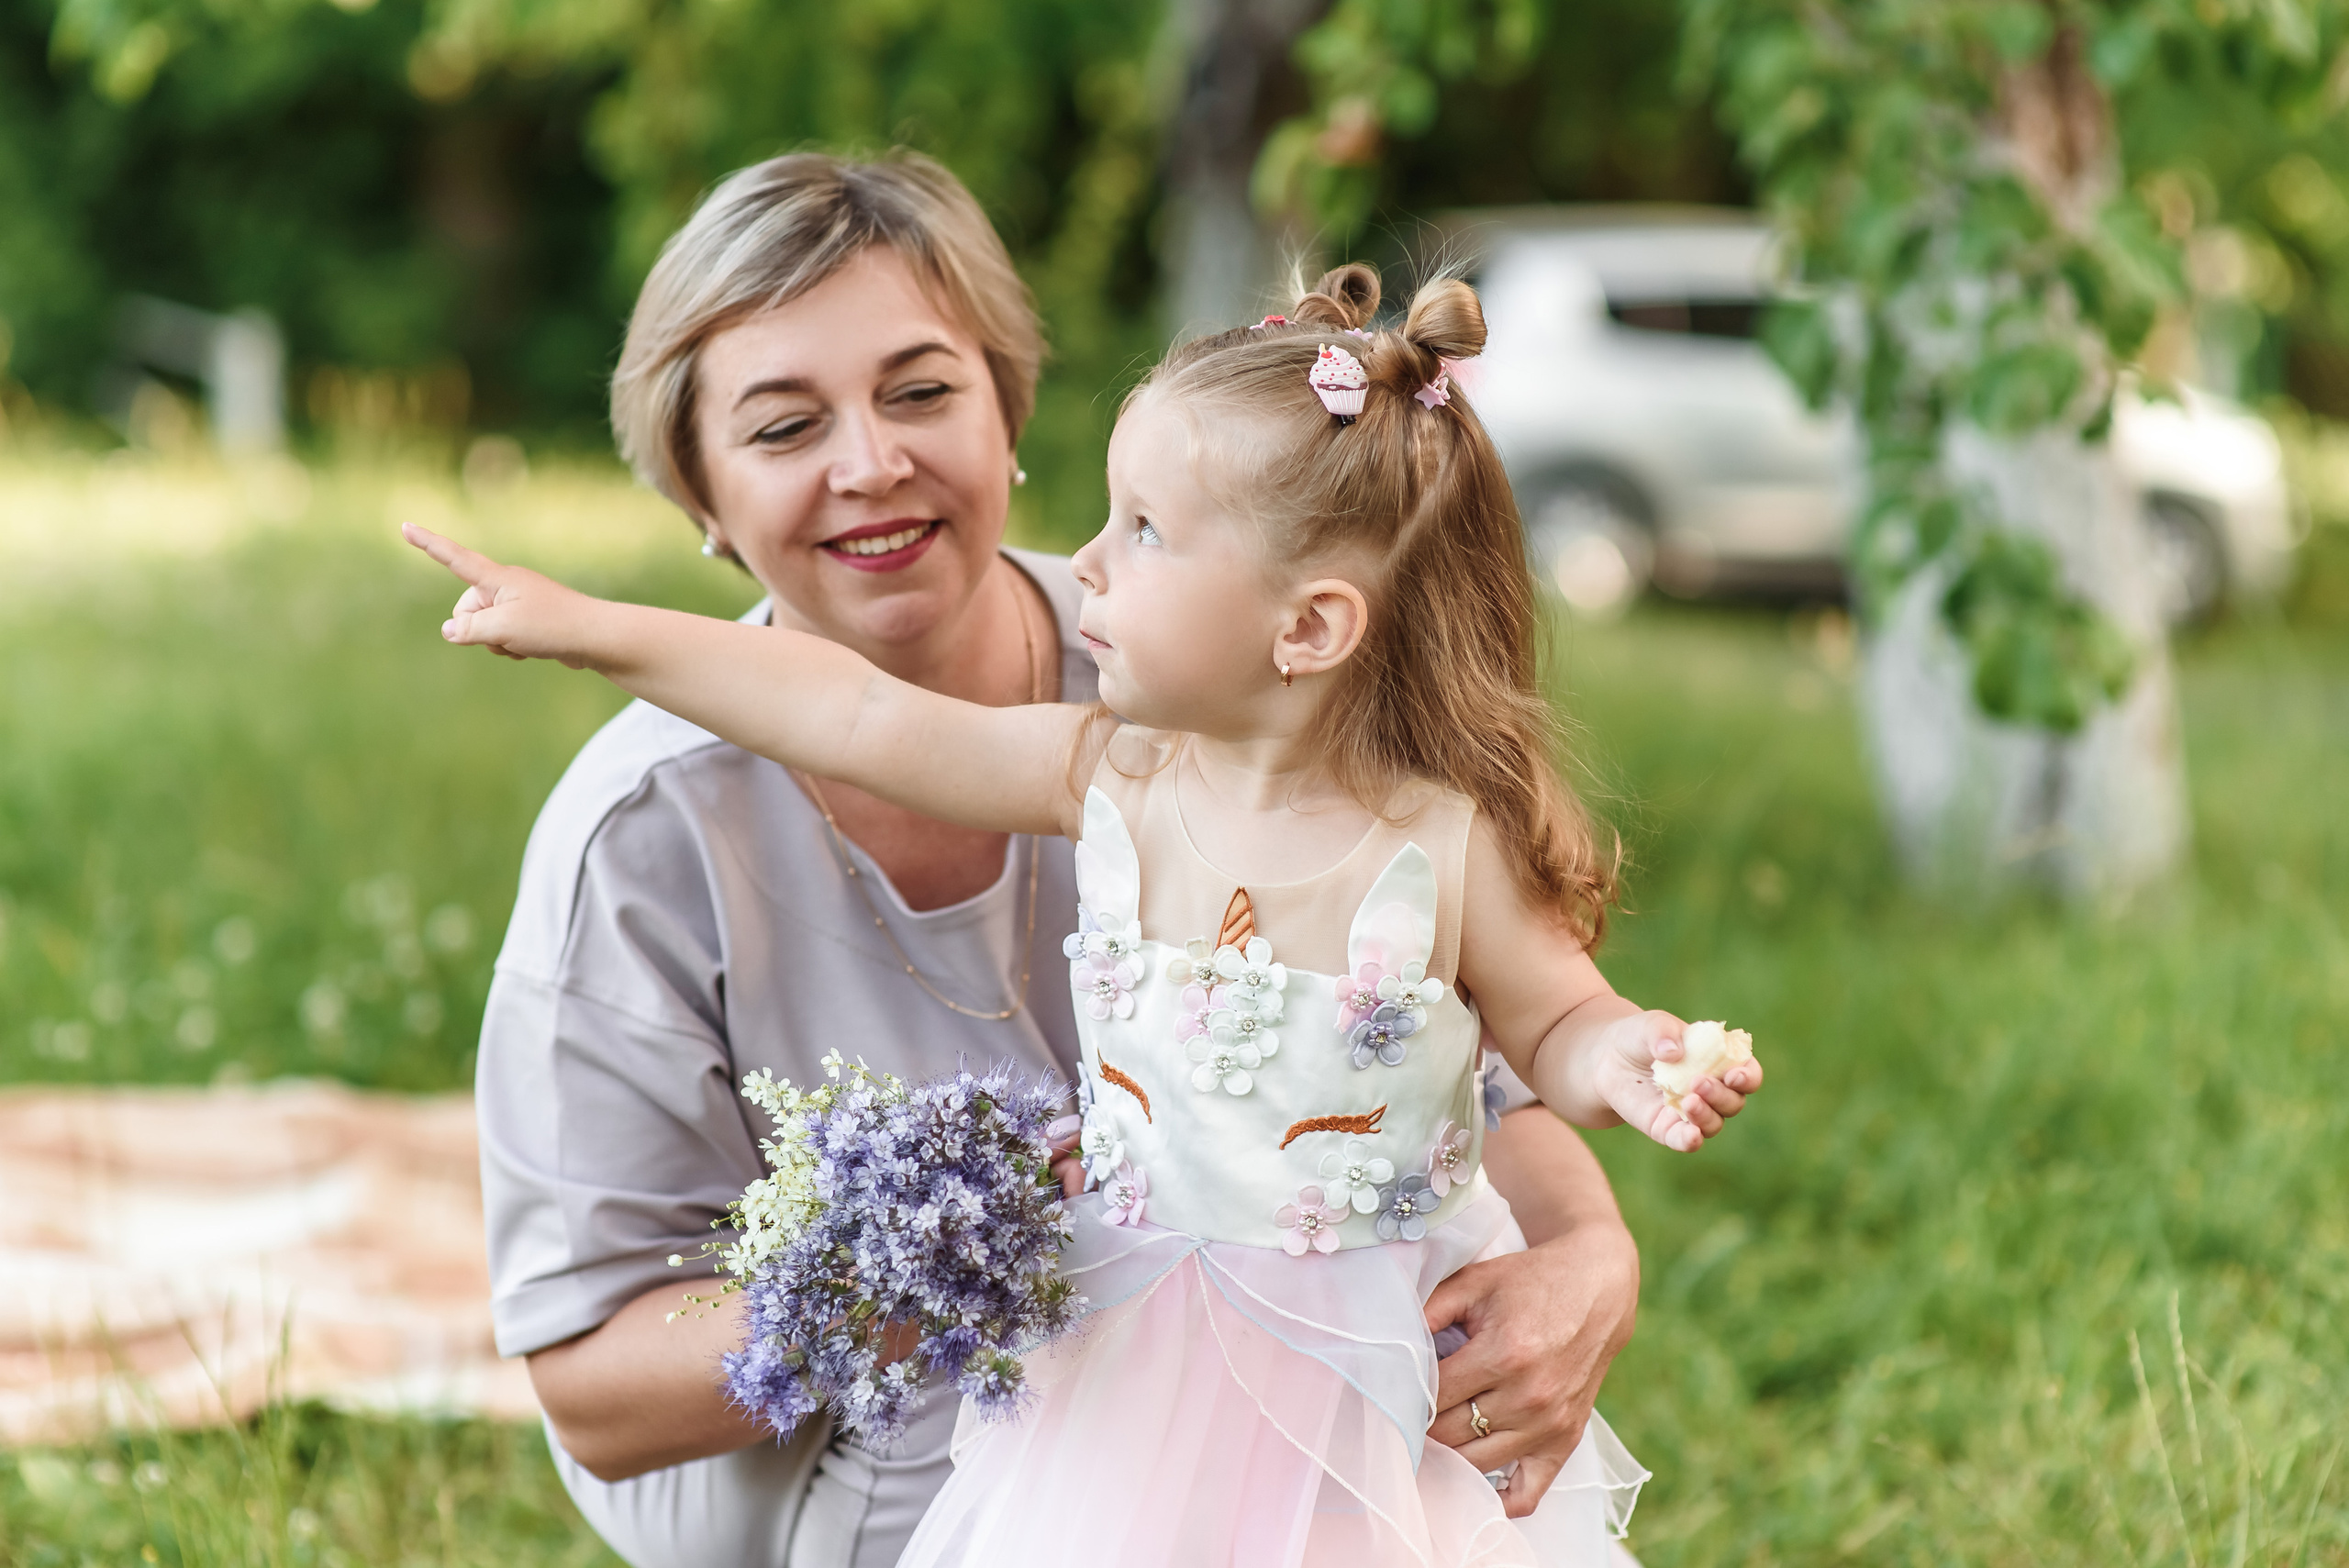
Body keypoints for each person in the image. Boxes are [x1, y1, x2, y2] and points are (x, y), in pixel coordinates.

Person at [416, 256, 1765, 1564]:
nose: (1089, 562)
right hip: (1127, 1360)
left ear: (1309, 629)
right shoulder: (1107, 775)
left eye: (1144, 531)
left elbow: (1554, 1023)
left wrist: (1628, 1058)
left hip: (1367, 1356)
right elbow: (848, 708)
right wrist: (591, 624)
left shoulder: (1439, 838)